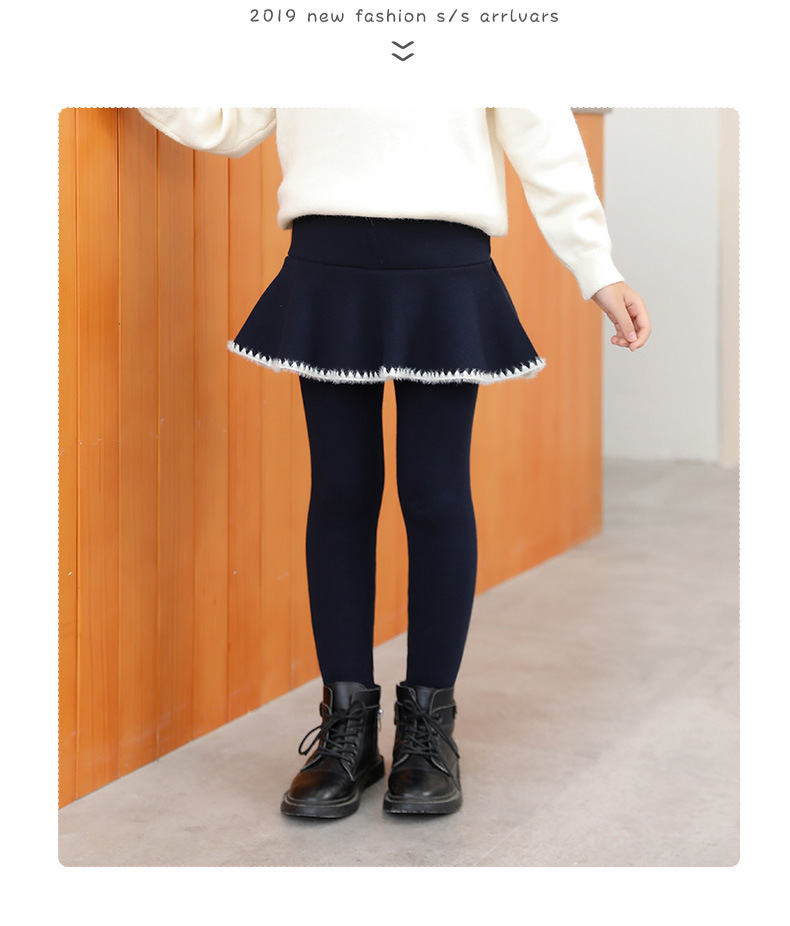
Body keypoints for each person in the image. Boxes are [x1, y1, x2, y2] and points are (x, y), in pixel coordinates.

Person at [137, 106, 651, 819]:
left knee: (435, 494)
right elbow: (230, 120)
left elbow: (543, 132)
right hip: (328, 261)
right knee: (342, 491)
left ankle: (427, 733)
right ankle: (347, 732)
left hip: (445, 265)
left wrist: (598, 268)